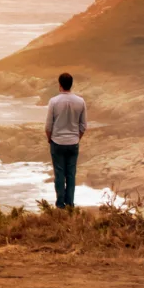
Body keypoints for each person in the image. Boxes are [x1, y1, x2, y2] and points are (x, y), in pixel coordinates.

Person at [45, 72, 88, 209]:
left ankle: (60, 205)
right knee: (71, 174)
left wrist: (49, 139)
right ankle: (70, 205)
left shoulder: (54, 101)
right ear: (71, 84)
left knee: (59, 175)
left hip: (57, 142)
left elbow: (48, 126)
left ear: (60, 85)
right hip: (73, 142)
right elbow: (83, 126)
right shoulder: (80, 101)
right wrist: (77, 138)